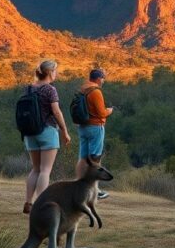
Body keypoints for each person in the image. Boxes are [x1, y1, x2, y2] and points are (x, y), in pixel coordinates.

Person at [22, 59, 71, 214]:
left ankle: (28, 203)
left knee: (35, 169)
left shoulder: (30, 88)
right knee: (45, 170)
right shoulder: (50, 90)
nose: (56, 73)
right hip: (47, 131)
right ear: (50, 72)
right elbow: (56, 112)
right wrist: (64, 130)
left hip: (30, 133)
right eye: (55, 71)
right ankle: (41, 205)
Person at [75, 67, 114, 200]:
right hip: (95, 127)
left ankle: (79, 187)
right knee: (95, 160)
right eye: (103, 78)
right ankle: (95, 191)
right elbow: (101, 113)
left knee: (83, 158)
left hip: (83, 126)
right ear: (98, 78)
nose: (103, 80)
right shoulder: (95, 91)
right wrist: (109, 111)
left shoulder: (82, 89)